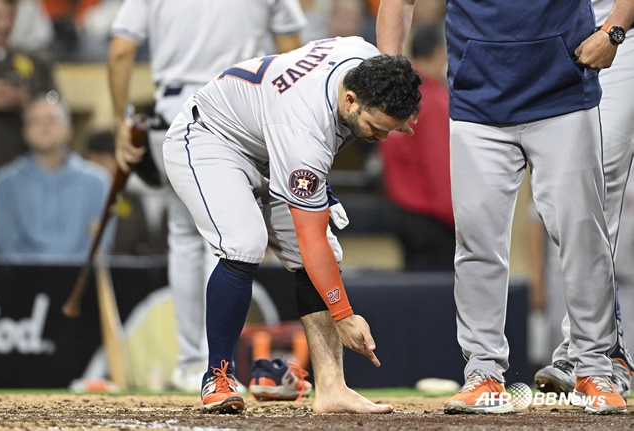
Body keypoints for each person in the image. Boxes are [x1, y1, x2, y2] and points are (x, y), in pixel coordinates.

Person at [377, 0, 634, 414]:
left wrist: (615, 32)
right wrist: (389, 73)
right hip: (478, 97)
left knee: (582, 236)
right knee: (477, 242)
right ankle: (483, 373)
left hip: (563, 90)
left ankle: (593, 369)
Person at [162, 37, 421, 413]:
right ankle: (217, 377)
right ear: (350, 99)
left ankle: (331, 389)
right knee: (244, 243)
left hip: (269, 144)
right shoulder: (304, 129)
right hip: (213, 138)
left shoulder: (369, 63)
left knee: (324, 257)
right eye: (375, 127)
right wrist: (344, 315)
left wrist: (397, 118)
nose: (381, 138)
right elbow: (309, 236)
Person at [107, 0, 307, 392]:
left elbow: (120, 49)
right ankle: (221, 364)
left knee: (184, 238)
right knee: (226, 240)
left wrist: (119, 121)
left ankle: (192, 361)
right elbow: (292, 49)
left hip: (174, 111)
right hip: (244, 111)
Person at [531, 0, 634, 400]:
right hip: (548, 37)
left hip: (618, 28)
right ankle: (600, 352)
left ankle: (594, 354)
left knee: (597, 183)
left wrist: (615, 31)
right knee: (559, 200)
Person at [0, 95, 113, 259]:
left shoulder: (98, 182)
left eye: (51, 120)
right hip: (20, 280)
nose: (44, 127)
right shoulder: (4, 182)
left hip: (82, 280)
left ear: (69, 129)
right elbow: (6, 245)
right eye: (36, 121)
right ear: (24, 131)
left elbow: (99, 244)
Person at [378, 21, 452, 271]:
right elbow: (440, 168)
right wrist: (457, 220)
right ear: (441, 52)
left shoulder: (398, 93)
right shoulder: (435, 101)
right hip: (432, 220)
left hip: (401, 210)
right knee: (435, 298)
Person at [0, 0, 56, 194]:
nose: (3, 24)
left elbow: (55, 100)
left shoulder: (34, 62)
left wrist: (33, 102)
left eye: (10, 16)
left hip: (24, 186)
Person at [84, 130, 161, 256]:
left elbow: (145, 243)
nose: (104, 168)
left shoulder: (131, 198)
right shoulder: (81, 197)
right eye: (97, 161)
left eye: (108, 160)